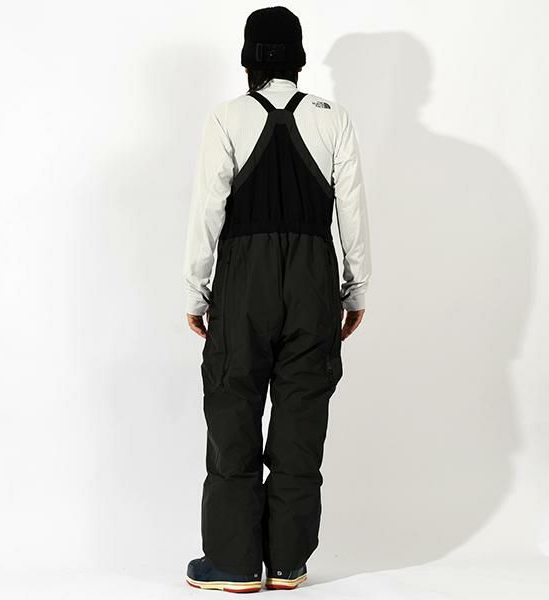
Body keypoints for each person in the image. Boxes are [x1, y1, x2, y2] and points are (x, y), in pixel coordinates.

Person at [182, 6, 371, 593]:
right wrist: (356, 289)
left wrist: (196, 290)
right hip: (315, 277)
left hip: (245, 280)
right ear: (299, 59)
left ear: (248, 61)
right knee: (301, 416)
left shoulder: (227, 117)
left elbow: (208, 209)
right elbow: (352, 211)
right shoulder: (333, 118)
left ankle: (234, 563)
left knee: (233, 407)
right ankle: (288, 562)